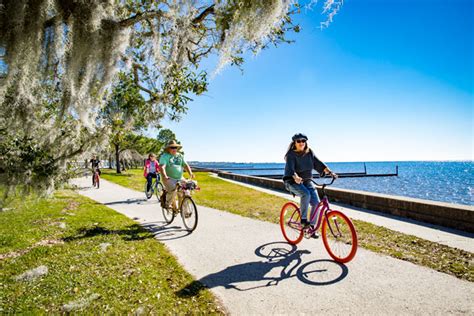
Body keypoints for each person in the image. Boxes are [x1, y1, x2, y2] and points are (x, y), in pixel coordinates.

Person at [283, 133, 337, 232]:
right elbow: (290, 169)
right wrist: (296, 176)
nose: (301, 143)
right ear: (294, 143)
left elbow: (318, 163)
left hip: (307, 181)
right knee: (306, 194)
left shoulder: (309, 152)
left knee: (316, 203)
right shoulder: (291, 155)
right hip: (292, 181)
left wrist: (330, 172)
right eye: (298, 141)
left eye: (303, 141)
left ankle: (311, 228)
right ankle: (303, 220)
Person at [159, 140, 194, 208]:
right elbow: (162, 167)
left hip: (180, 178)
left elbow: (185, 165)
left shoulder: (180, 156)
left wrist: (190, 173)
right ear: (168, 149)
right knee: (173, 190)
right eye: (172, 147)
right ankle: (167, 203)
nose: (174, 149)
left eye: (175, 147)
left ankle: (184, 209)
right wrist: (165, 176)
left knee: (186, 191)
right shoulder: (165, 156)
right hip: (169, 178)